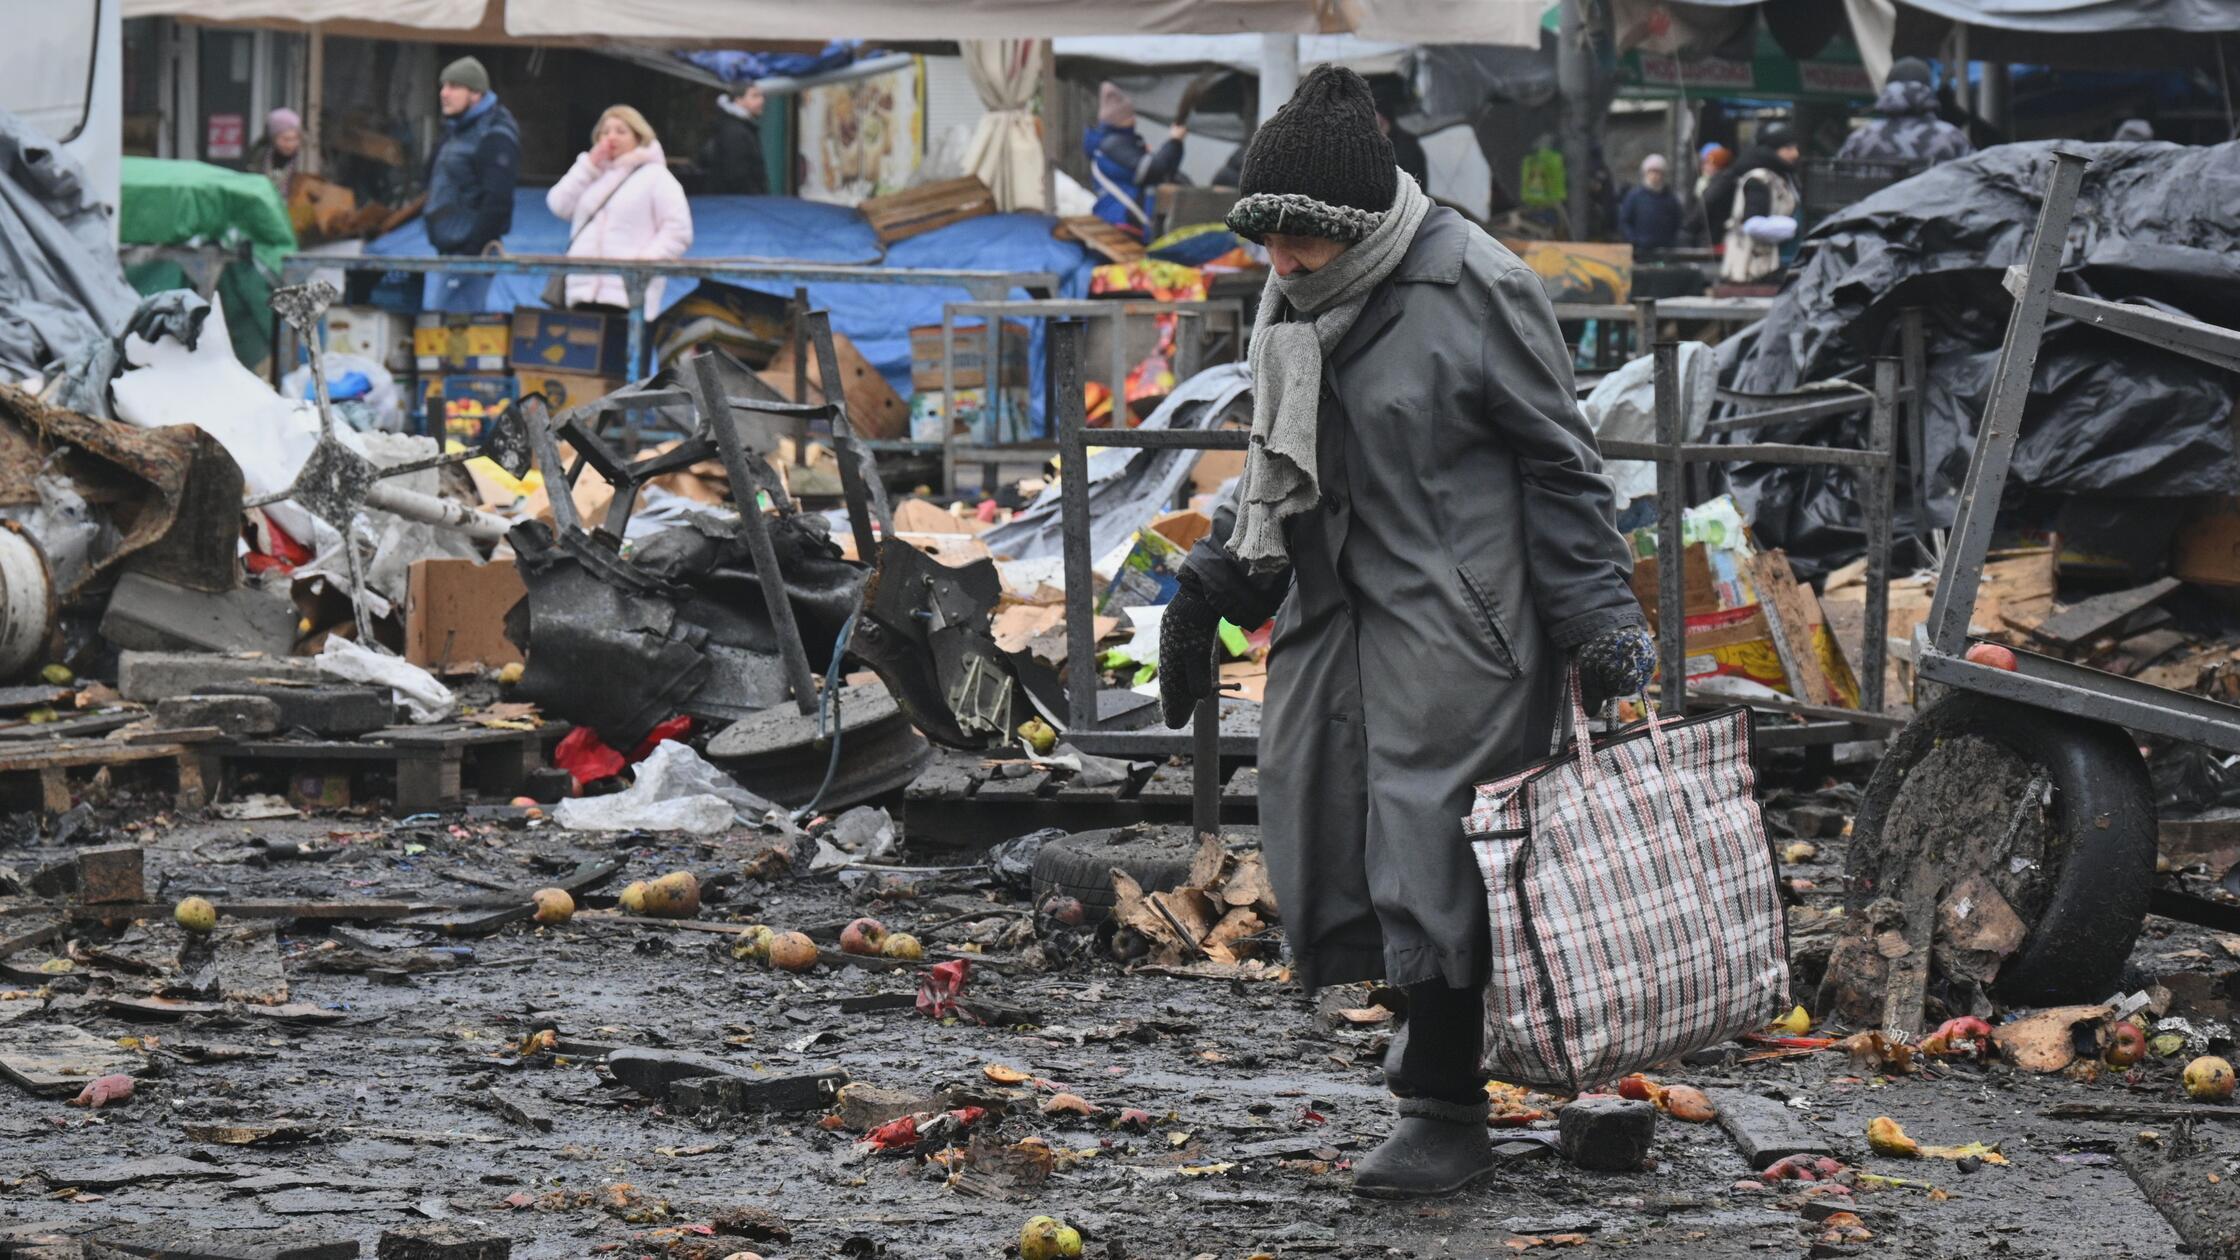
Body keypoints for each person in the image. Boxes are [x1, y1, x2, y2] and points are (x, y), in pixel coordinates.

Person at [1158, 65, 1652, 1201]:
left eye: (1299, 240)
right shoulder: (1296, 296)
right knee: (1317, 812)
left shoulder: (1477, 285)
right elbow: (1276, 468)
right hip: (1336, 612)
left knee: (1434, 850)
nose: (1277, 262)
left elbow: (1559, 468)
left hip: (1458, 621)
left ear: (1360, 221)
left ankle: (1443, 1105)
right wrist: (1211, 589)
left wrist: (1599, 619)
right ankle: (1430, 1031)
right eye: (1265, 239)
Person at [546, 105, 693, 319]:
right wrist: (588, 165)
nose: (611, 137)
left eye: (621, 131)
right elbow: (558, 204)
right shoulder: (592, 174)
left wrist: (641, 263)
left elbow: (678, 231)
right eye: (605, 132)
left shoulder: (656, 177)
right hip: (581, 291)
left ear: (638, 136)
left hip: (627, 295)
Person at [422, 56, 520, 313]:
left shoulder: (494, 134)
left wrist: (473, 249)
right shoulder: (460, 130)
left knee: (456, 329)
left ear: (476, 93)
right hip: (451, 249)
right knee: (447, 328)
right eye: (443, 86)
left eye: (454, 86)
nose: (444, 93)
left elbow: (498, 200)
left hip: (470, 254)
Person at [1083, 82, 1185, 235]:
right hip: (1122, 223)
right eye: (1130, 116)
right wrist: (1174, 141)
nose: (1134, 120)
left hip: (1119, 220)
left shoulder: (1114, 144)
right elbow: (1152, 170)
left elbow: (1161, 170)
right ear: (1119, 120)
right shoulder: (1114, 145)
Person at [1707, 124, 1801, 284]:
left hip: (1772, 265)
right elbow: (1752, 224)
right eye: (1788, 148)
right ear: (1774, 150)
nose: (1795, 154)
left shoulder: (1782, 177)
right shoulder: (1759, 179)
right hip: (1754, 269)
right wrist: (1791, 226)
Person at [1836, 57, 1973, 165]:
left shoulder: (1861, 138)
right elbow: (1975, 184)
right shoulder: (1952, 137)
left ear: (1888, 90)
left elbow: (1836, 180)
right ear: (1928, 91)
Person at [700, 83, 768, 195]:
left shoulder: (738, 126)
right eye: (755, 96)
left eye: (761, 96)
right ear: (738, 100)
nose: (761, 100)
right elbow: (737, 177)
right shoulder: (734, 131)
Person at [1617, 154, 1681, 252]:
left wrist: (1672, 242)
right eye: (1651, 171)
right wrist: (1633, 240)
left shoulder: (1670, 199)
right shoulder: (1634, 196)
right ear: (1645, 173)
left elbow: (1677, 222)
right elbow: (1625, 221)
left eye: (1658, 172)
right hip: (1640, 251)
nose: (1655, 176)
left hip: (1665, 251)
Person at [248, 107, 303, 200]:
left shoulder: (306, 161)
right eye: (285, 139)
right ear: (273, 138)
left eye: (294, 139)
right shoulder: (258, 158)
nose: (290, 144)